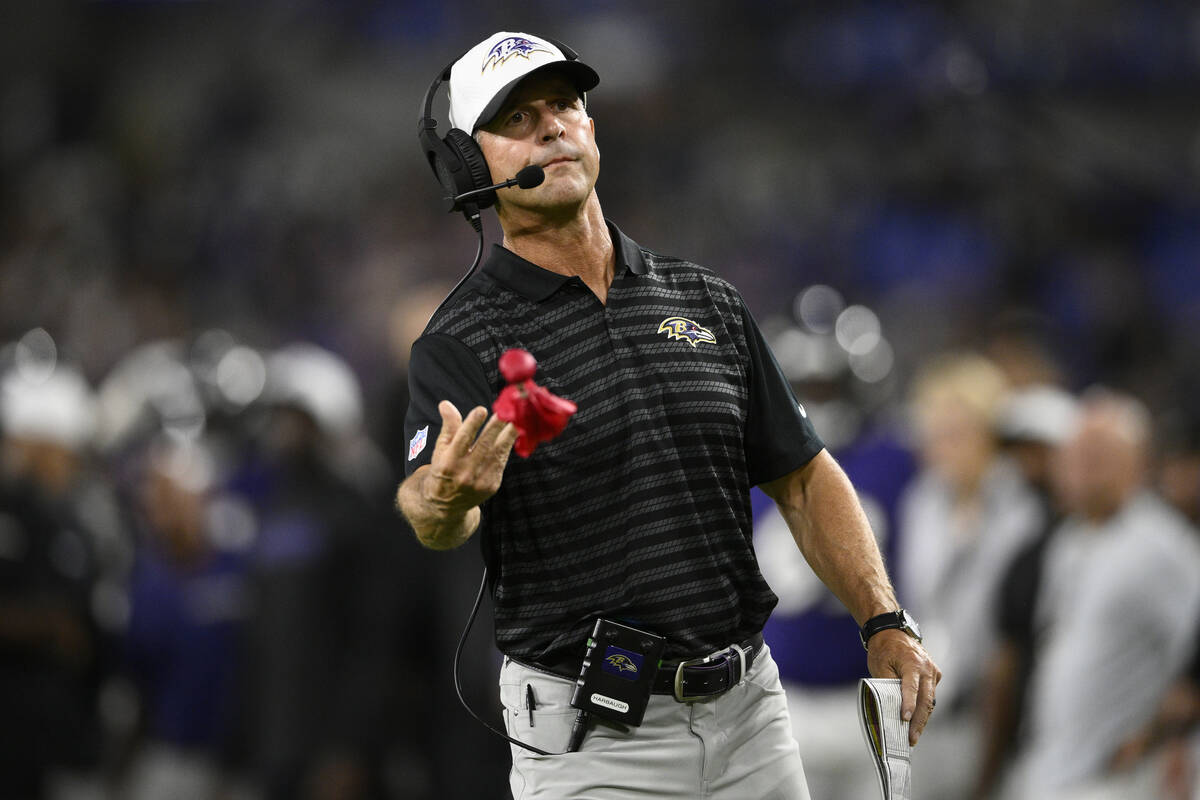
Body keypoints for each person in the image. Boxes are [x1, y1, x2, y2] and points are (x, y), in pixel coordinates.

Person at [396, 31, 940, 799]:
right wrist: (446, 497)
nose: (552, 125)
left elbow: (802, 474)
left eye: (565, 105)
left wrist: (884, 620)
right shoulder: (460, 342)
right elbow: (428, 509)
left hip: (751, 712)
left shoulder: (705, 298)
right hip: (594, 738)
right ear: (465, 163)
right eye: (517, 117)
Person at [1003, 389, 1200, 800]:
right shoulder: (1068, 540)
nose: (1083, 466)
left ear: (1139, 462)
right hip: (1048, 768)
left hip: (1116, 781)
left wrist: (1157, 735)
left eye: (1100, 453)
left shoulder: (1162, 545)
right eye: (1076, 452)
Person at [895, 353, 1046, 799]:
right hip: (925, 708)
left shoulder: (1022, 513)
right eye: (935, 435)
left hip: (990, 711)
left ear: (988, 435)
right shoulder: (921, 502)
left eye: (957, 434)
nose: (943, 447)